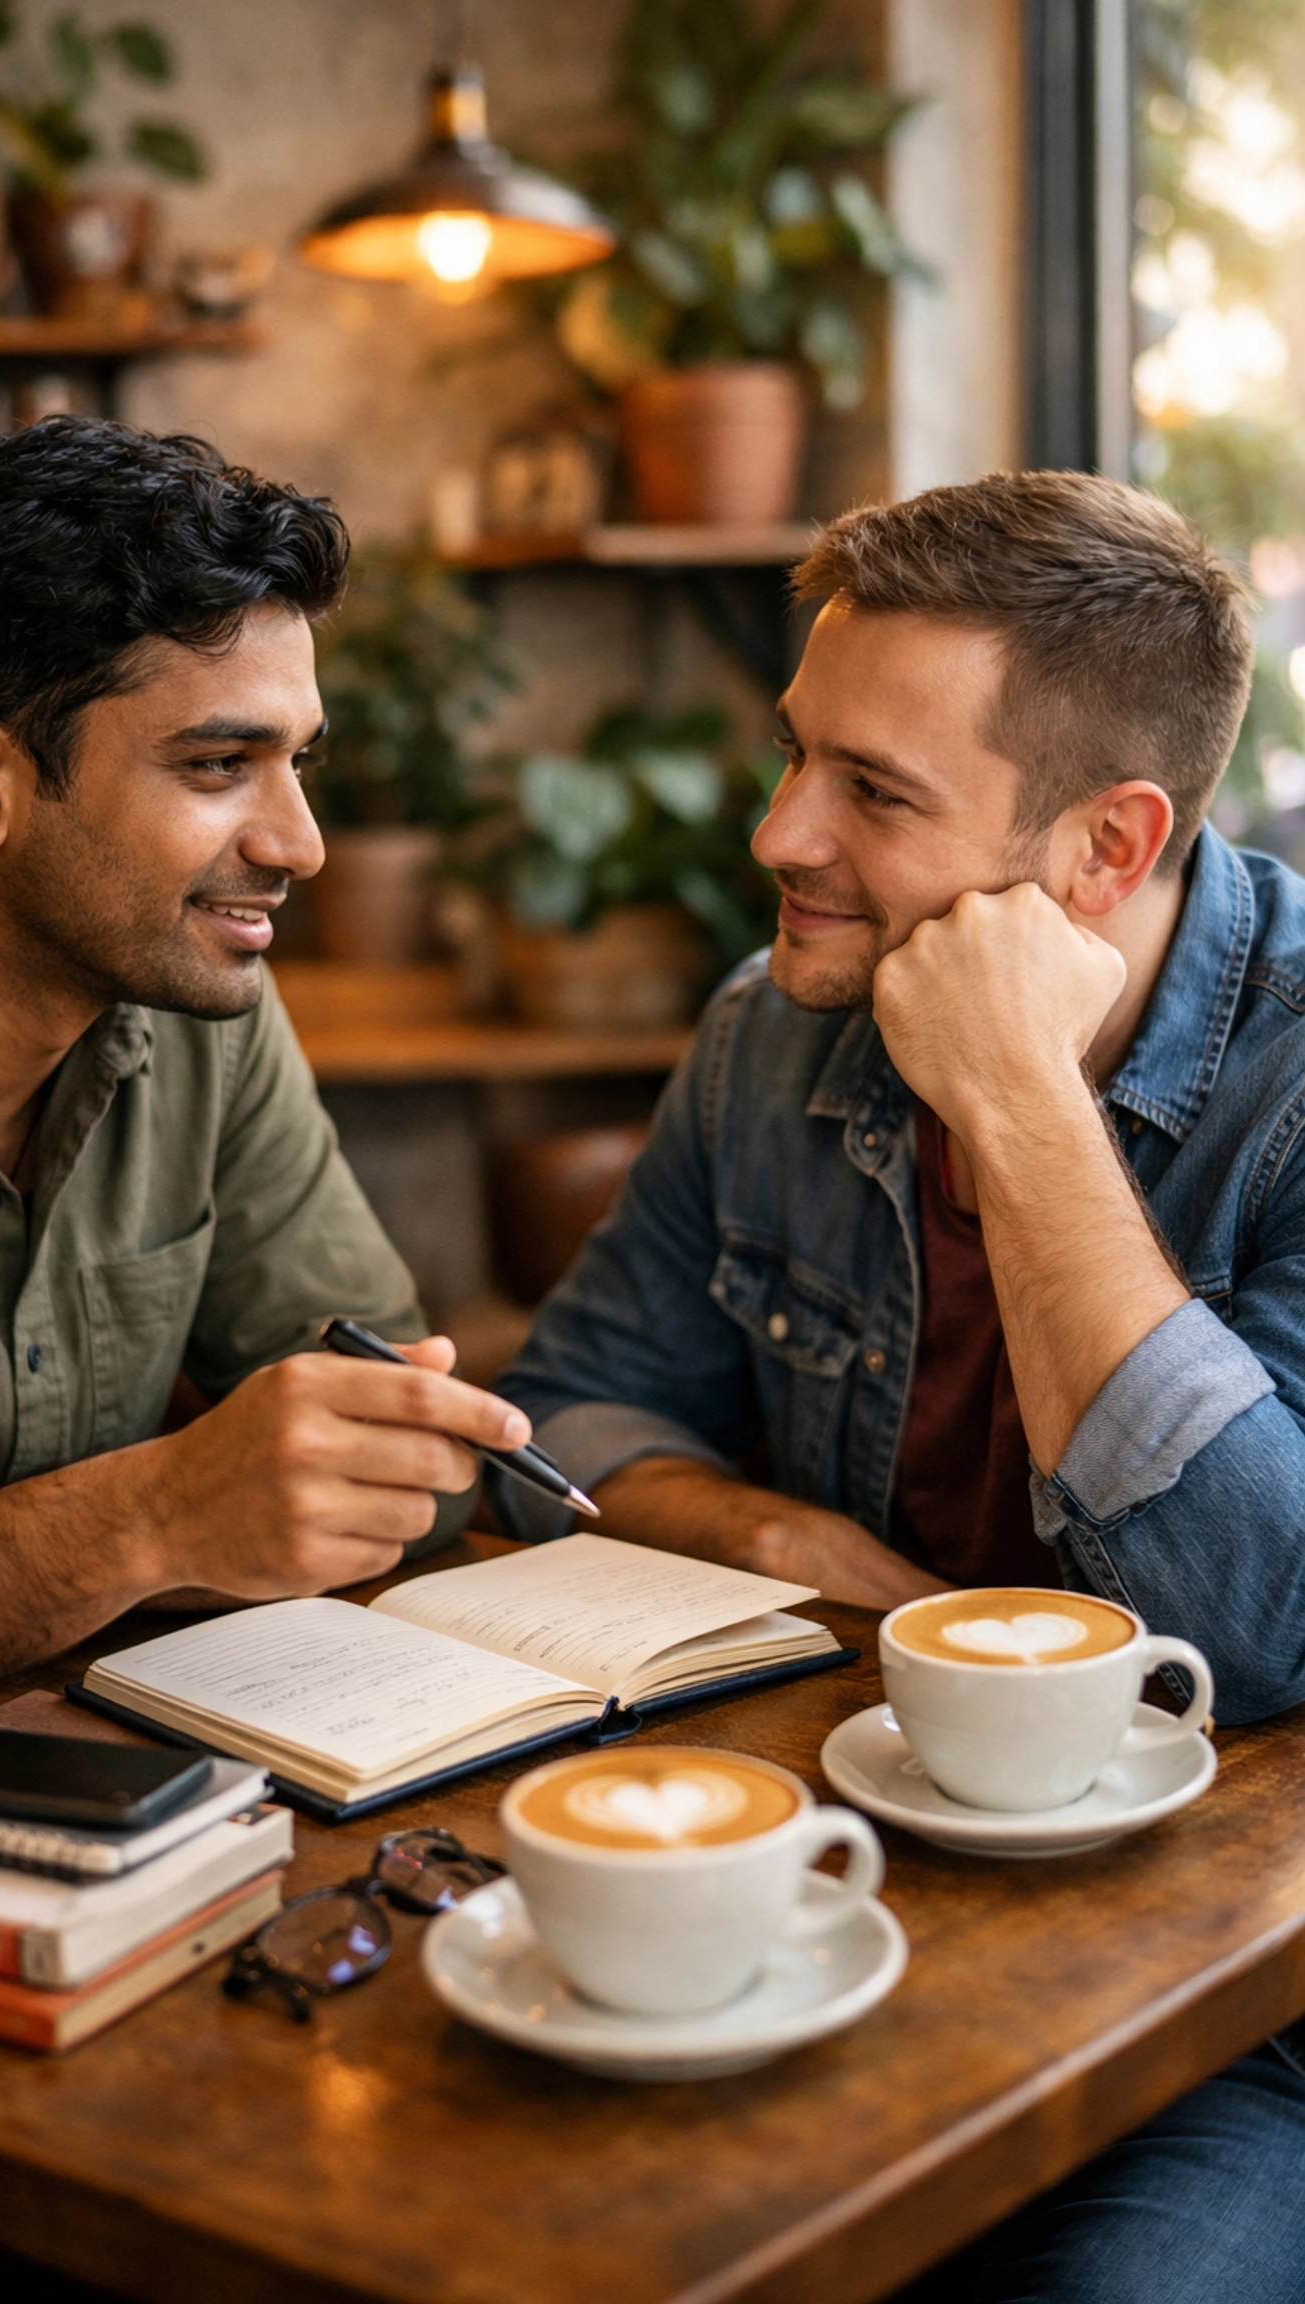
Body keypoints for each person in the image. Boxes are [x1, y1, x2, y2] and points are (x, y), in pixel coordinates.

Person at [493, 468, 1305, 2303]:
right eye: (799, 752)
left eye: (876, 790)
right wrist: (784, 1543)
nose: (780, 830)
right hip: (839, 1887)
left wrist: (1022, 1105)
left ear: (1106, 849)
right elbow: (570, 1422)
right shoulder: (770, 1034)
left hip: (1232, 2012)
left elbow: (1259, 1625)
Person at [0, 415, 533, 1770]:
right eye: (217, 765)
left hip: (116, 1804)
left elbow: (398, 1460)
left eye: (299, 761)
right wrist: (158, 1518)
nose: (299, 844)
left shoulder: (196, 994)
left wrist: (338, 1474)